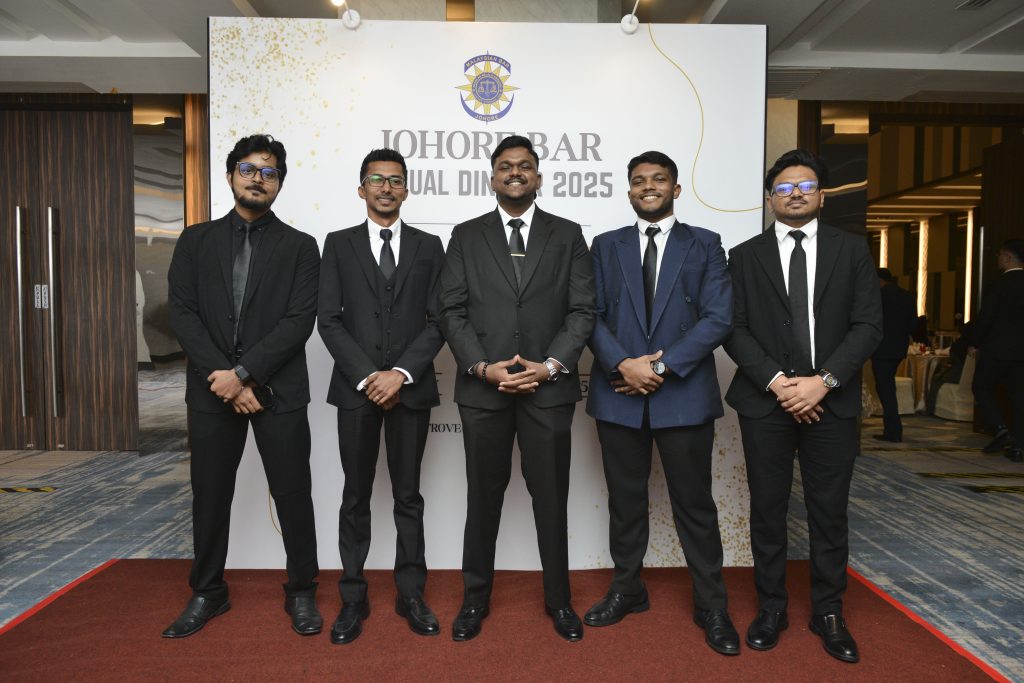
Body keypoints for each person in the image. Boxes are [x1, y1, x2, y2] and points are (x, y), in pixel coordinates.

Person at [723, 149, 881, 663]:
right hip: (765, 402)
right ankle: (771, 607)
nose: (795, 194)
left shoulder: (851, 250)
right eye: (784, 188)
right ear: (770, 199)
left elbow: (868, 325)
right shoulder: (744, 255)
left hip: (831, 403)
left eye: (806, 186)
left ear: (822, 195)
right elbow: (733, 328)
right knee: (768, 510)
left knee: (828, 511)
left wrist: (823, 383)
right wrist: (779, 383)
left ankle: (828, 611)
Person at [437, 135, 596, 642]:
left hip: (547, 391)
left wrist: (550, 367)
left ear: (538, 177)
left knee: (551, 499)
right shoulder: (466, 235)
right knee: (482, 499)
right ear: (492, 177)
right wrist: (482, 368)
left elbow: (582, 311)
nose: (515, 172)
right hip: (484, 391)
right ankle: (473, 600)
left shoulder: (567, 234)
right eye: (505, 166)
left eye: (524, 165)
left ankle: (560, 602)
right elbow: (451, 309)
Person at [165, 134, 321, 638]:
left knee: (293, 493)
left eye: (269, 172)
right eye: (249, 169)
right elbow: (183, 314)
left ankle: (302, 590)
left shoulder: (301, 247)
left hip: (278, 392)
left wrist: (245, 374)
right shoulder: (195, 241)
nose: (258, 179)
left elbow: (298, 321)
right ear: (231, 174)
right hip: (212, 390)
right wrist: (225, 379)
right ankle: (208, 591)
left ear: (280, 184)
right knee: (210, 495)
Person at [585, 151, 738, 654]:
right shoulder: (605, 245)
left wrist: (659, 367)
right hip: (619, 393)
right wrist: (621, 363)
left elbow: (718, 318)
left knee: (694, 504)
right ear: (629, 190)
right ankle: (627, 589)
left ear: (675, 188)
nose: (647, 186)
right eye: (638, 180)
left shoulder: (705, 243)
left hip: (683, 395)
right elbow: (588, 314)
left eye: (658, 179)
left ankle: (711, 604)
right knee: (625, 502)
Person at [317, 149, 446, 644]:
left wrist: (401, 374)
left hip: (410, 391)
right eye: (377, 179)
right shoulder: (338, 244)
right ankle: (353, 596)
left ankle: (411, 593)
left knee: (408, 495)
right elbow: (328, 319)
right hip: (357, 393)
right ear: (362, 189)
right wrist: (372, 377)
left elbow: (440, 320)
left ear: (406, 190)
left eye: (395, 180)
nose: (386, 187)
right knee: (355, 495)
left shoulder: (430, 246)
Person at [972, 240, 1024, 463]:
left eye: (1000, 255)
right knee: (1019, 397)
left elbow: (986, 318)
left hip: (997, 348)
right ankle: (1019, 447)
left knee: (980, 386)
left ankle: (1001, 429)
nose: (998, 259)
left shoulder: (999, 284)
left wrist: (975, 342)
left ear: (1008, 257)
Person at [871, 268, 917, 442]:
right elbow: (913, 324)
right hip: (899, 349)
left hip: (881, 349)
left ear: (878, 280)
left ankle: (893, 431)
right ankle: (892, 429)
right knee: (887, 387)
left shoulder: (878, 296)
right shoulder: (907, 296)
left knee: (885, 389)